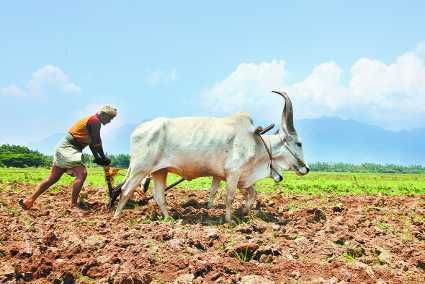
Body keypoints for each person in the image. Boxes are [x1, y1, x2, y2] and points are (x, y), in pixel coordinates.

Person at [19, 105, 117, 214]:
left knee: (53, 178)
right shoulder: (95, 121)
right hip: (69, 148)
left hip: (64, 147)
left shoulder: (92, 120)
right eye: (109, 118)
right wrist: (103, 158)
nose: (109, 121)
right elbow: (97, 142)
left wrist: (97, 158)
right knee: (82, 173)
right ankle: (73, 206)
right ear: (103, 115)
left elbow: (92, 144)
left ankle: (29, 200)